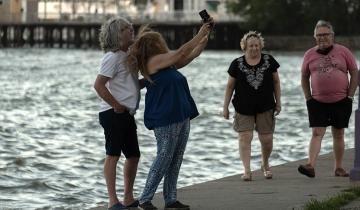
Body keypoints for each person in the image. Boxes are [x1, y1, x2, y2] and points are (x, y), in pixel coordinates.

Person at [127, 20, 213, 210]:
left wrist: (204, 38)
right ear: (154, 45)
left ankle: (171, 199)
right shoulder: (154, 61)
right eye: (160, 42)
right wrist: (198, 33)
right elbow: (181, 52)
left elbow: (190, 56)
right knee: (164, 155)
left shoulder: (167, 64)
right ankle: (145, 198)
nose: (164, 43)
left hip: (181, 114)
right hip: (165, 116)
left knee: (176, 158)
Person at [298, 20, 358, 178]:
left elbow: (354, 72)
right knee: (317, 133)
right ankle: (310, 165)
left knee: (338, 133)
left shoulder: (343, 51)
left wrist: (350, 95)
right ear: (314, 37)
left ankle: (338, 168)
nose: (322, 38)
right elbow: (304, 77)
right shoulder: (309, 54)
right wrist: (308, 98)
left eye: (325, 34)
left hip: (341, 100)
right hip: (317, 101)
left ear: (332, 35)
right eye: (318, 35)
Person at [94, 17, 141, 210]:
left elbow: (128, 84)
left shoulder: (127, 55)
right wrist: (116, 105)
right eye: (125, 28)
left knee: (133, 155)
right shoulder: (112, 57)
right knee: (113, 155)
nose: (131, 30)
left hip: (126, 113)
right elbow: (98, 85)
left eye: (130, 27)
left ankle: (128, 198)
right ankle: (113, 201)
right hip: (113, 113)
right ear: (116, 34)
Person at [223, 31, 281, 181]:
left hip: (266, 105)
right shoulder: (236, 63)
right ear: (245, 47)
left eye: (257, 45)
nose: (254, 48)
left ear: (260, 45)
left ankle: (265, 164)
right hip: (243, 106)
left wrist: (278, 102)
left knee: (266, 139)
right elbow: (230, 87)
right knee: (244, 137)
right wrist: (225, 107)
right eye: (251, 46)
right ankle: (247, 170)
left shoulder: (269, 60)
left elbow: (276, 82)